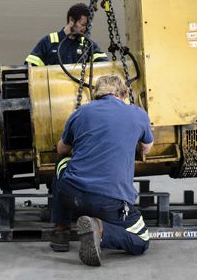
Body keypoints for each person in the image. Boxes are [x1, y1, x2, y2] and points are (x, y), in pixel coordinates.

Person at [50, 74, 154, 266]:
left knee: (62, 163)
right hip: (110, 203)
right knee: (141, 239)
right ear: (123, 93)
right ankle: (100, 229)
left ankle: (61, 229)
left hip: (72, 195)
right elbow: (147, 148)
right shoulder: (138, 114)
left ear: (96, 94)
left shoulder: (80, 113)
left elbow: (61, 149)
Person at [25, 3, 108, 66]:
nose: (85, 29)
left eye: (88, 25)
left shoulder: (88, 45)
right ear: (71, 20)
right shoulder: (48, 42)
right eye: (82, 24)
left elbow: (104, 65)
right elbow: (30, 68)